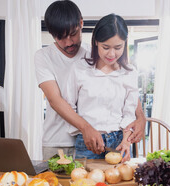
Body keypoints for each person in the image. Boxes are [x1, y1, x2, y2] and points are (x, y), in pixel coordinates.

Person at [34, 0, 145, 161]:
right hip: (58, 140)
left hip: (98, 140)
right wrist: (86, 128)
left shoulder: (98, 52)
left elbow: (127, 92)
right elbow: (55, 100)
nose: (69, 42)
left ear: (81, 23)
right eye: (61, 37)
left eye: (72, 34)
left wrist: (141, 117)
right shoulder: (43, 56)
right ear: (52, 34)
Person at [63, 13, 138, 161]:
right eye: (106, 47)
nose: (111, 54)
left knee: (121, 182)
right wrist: (85, 130)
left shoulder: (130, 73)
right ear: (96, 42)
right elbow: (68, 107)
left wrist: (126, 141)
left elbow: (129, 113)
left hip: (119, 140)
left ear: (125, 43)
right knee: (85, 183)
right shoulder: (79, 69)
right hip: (89, 141)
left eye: (118, 47)